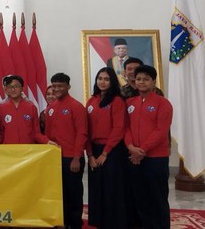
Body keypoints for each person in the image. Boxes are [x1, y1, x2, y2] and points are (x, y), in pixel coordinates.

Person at [125, 65, 172, 229]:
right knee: (140, 197)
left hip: (155, 159)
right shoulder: (130, 102)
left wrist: (141, 150)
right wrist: (131, 147)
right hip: (134, 157)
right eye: (138, 79)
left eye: (146, 79)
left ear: (153, 82)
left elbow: (161, 131)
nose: (142, 82)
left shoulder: (163, 104)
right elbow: (127, 128)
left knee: (157, 197)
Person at [85, 67, 128, 229]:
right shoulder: (91, 101)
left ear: (112, 82)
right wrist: (90, 155)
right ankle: (99, 221)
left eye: (106, 79)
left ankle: (113, 222)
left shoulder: (117, 101)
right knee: (97, 187)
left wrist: (105, 153)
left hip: (112, 151)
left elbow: (119, 128)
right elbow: (86, 130)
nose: (102, 82)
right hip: (93, 151)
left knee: (111, 188)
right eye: (100, 78)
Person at [44, 73, 87, 229]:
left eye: (60, 86)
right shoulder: (51, 108)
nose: (56, 89)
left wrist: (76, 157)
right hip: (55, 158)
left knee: (73, 193)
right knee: (59, 192)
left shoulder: (76, 107)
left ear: (68, 87)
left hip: (71, 158)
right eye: (54, 86)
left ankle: (75, 223)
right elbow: (48, 135)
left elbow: (82, 133)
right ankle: (62, 221)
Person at [0, 75, 51, 145]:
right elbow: (1, 132)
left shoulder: (31, 107)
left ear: (22, 88)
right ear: (7, 89)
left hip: (28, 150)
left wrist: (47, 141)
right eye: (10, 87)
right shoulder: (2, 108)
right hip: (9, 150)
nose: (13, 89)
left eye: (16, 86)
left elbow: (36, 133)